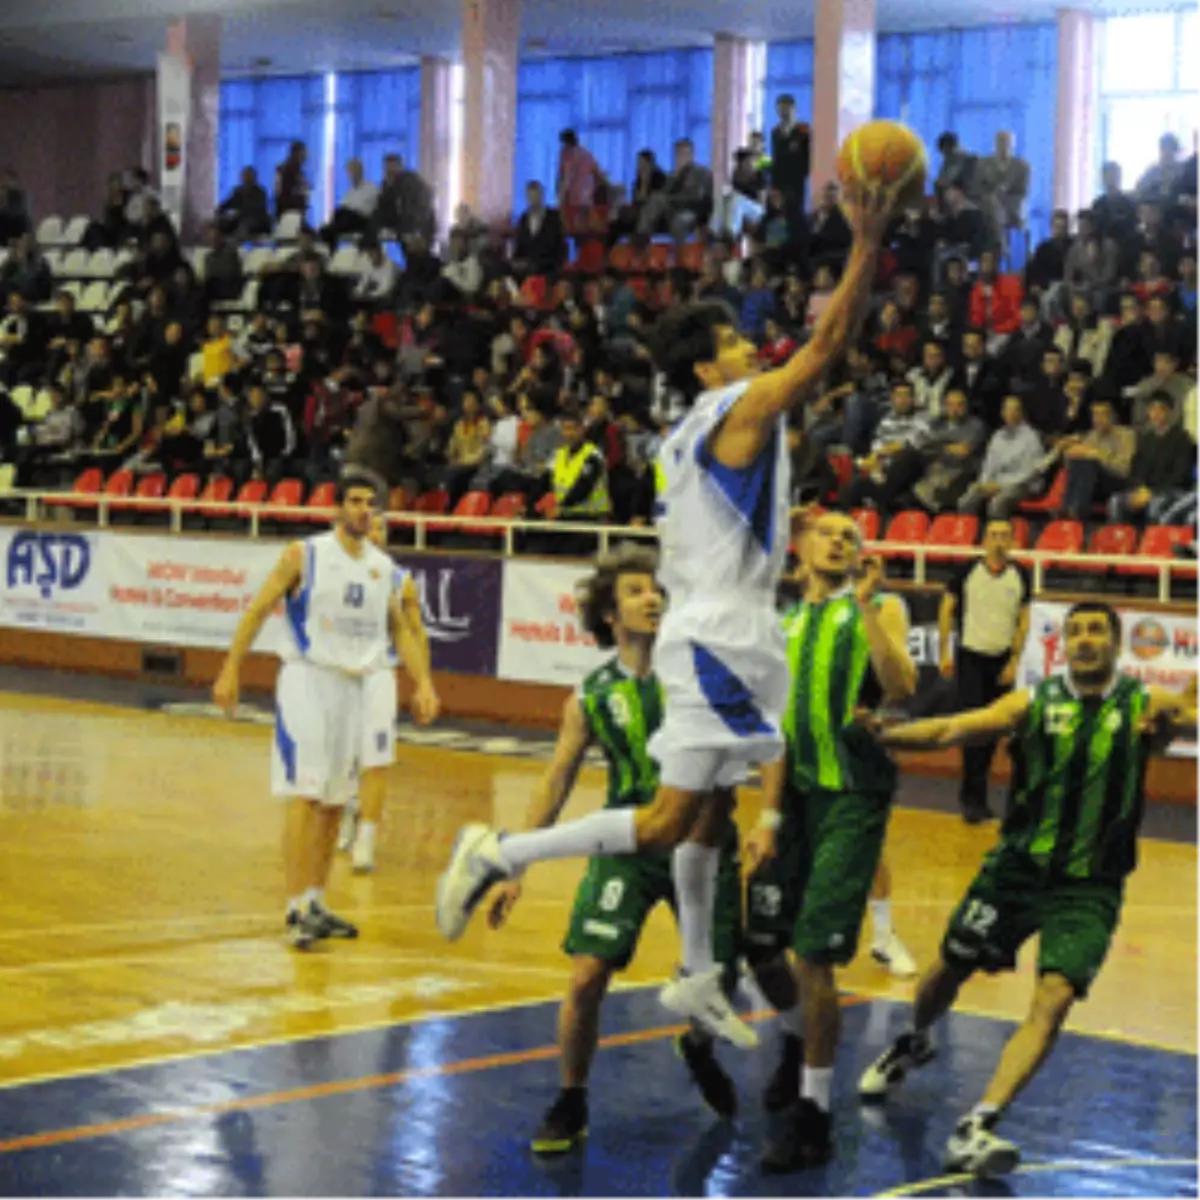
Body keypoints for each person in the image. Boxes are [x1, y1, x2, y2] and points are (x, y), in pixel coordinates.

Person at [434, 182, 901, 1046]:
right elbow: (828, 347)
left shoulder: (689, 430)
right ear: (704, 367)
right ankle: (498, 852)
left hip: (724, 625)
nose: (750, 346)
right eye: (732, 340)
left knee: (711, 814)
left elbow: (704, 517)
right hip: (724, 637)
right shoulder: (736, 406)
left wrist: (775, 525)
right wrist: (866, 243)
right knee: (665, 819)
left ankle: (695, 972)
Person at [857, 601, 1200, 1178]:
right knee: (946, 971)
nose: (1085, 640)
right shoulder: (1032, 702)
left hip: (1090, 886)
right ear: (1062, 645)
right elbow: (951, 727)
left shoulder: (1145, 706)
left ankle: (979, 1123)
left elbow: (1190, 712)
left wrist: (1176, 721)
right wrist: (888, 735)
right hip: (1015, 871)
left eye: (1096, 631)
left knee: (1056, 997)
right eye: (1076, 632)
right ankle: (914, 1039)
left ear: (1117, 645)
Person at [487, 546, 743, 1154]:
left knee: (719, 981)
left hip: (703, 845)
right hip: (629, 843)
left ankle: (698, 1045)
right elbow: (555, 780)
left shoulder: (699, 673)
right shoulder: (591, 697)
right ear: (608, 615)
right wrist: (515, 863)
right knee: (585, 977)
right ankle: (571, 1099)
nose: (651, 597)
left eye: (656, 588)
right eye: (634, 591)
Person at [743, 510, 917, 1171]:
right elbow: (771, 728)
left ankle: (814, 1112)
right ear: (801, 549)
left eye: (852, 536)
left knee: (814, 952)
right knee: (760, 941)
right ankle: (795, 1039)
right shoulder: (783, 624)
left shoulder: (881, 609)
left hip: (853, 798)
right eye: (828, 533)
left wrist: (869, 607)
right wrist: (768, 814)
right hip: (794, 799)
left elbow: (901, 686)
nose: (841, 541)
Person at [212, 469, 439, 948]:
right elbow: (257, 609)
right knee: (307, 795)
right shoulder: (305, 554)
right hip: (308, 682)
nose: (362, 510)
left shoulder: (382, 567)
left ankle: (316, 899)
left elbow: (399, 629)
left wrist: (422, 683)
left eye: (369, 503)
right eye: (353, 501)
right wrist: (230, 669)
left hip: (355, 688)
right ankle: (294, 909)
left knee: (336, 802)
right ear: (337, 507)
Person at [337, 513, 436, 872]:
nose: (373, 532)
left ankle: (366, 839)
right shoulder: (334, 568)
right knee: (343, 758)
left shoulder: (399, 579)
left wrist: (424, 682)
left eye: (380, 528)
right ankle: (348, 810)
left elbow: (415, 633)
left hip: (378, 675)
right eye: (370, 526)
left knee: (375, 760)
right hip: (338, 675)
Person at [938, 519, 1031, 823]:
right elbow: (946, 610)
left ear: (1013, 541)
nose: (999, 541)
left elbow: (1024, 620)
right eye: (993, 535)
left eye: (1005, 535)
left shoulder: (1021, 575)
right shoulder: (966, 572)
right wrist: (944, 651)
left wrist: (1015, 660)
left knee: (994, 730)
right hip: (970, 658)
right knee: (973, 728)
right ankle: (971, 798)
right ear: (984, 540)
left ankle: (981, 796)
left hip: (1001, 660)